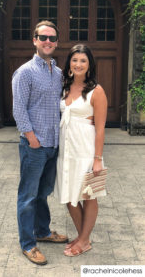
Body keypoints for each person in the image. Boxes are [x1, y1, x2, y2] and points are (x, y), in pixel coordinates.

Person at [12, 20, 68, 266]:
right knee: (27, 195)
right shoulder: (25, 72)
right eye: (43, 37)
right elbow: (18, 109)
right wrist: (32, 138)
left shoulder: (57, 73)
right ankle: (28, 244)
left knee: (43, 193)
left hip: (52, 145)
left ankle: (43, 231)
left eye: (52, 38)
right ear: (34, 40)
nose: (48, 42)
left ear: (57, 42)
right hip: (34, 146)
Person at [54, 44, 107, 257]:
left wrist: (97, 159)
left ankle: (84, 240)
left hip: (87, 151)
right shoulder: (64, 87)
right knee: (68, 194)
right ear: (69, 64)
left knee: (89, 195)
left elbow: (101, 128)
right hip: (66, 150)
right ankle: (82, 235)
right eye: (75, 60)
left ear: (89, 65)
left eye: (83, 61)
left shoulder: (97, 90)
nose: (78, 64)